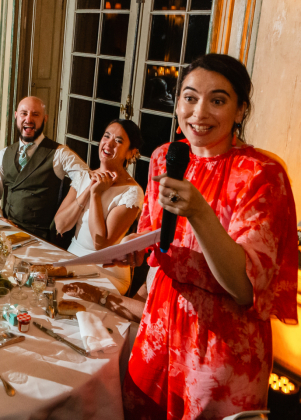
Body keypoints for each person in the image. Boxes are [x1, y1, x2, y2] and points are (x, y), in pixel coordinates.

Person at [116, 54, 298, 419]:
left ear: (241, 110)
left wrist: (200, 213)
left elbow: (244, 287)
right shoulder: (165, 156)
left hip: (221, 346)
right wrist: (133, 251)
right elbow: (154, 237)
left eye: (217, 100)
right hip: (159, 326)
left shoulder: (261, 174)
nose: (199, 113)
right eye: (189, 97)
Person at [54, 120, 144, 294]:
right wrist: (89, 188)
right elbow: (60, 225)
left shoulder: (132, 192)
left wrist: (96, 195)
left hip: (106, 272)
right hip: (73, 259)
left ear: (130, 153)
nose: (108, 143)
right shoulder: (83, 176)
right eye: (106, 136)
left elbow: (100, 245)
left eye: (118, 141)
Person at [0, 96, 88, 240]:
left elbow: (86, 176)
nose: (28, 119)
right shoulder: (3, 154)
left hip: (39, 239)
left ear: (45, 119)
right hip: (7, 232)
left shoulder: (59, 153)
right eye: (24, 113)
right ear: (16, 116)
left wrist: (68, 204)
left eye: (35, 114)